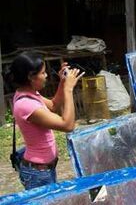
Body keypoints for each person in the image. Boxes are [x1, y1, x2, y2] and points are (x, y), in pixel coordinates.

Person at [11, 52, 84, 190]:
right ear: (31, 77)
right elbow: (67, 125)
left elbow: (53, 105)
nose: (46, 76)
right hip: (38, 173)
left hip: (43, 170)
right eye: (43, 73)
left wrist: (62, 82)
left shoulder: (29, 94)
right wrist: (68, 89)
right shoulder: (26, 104)